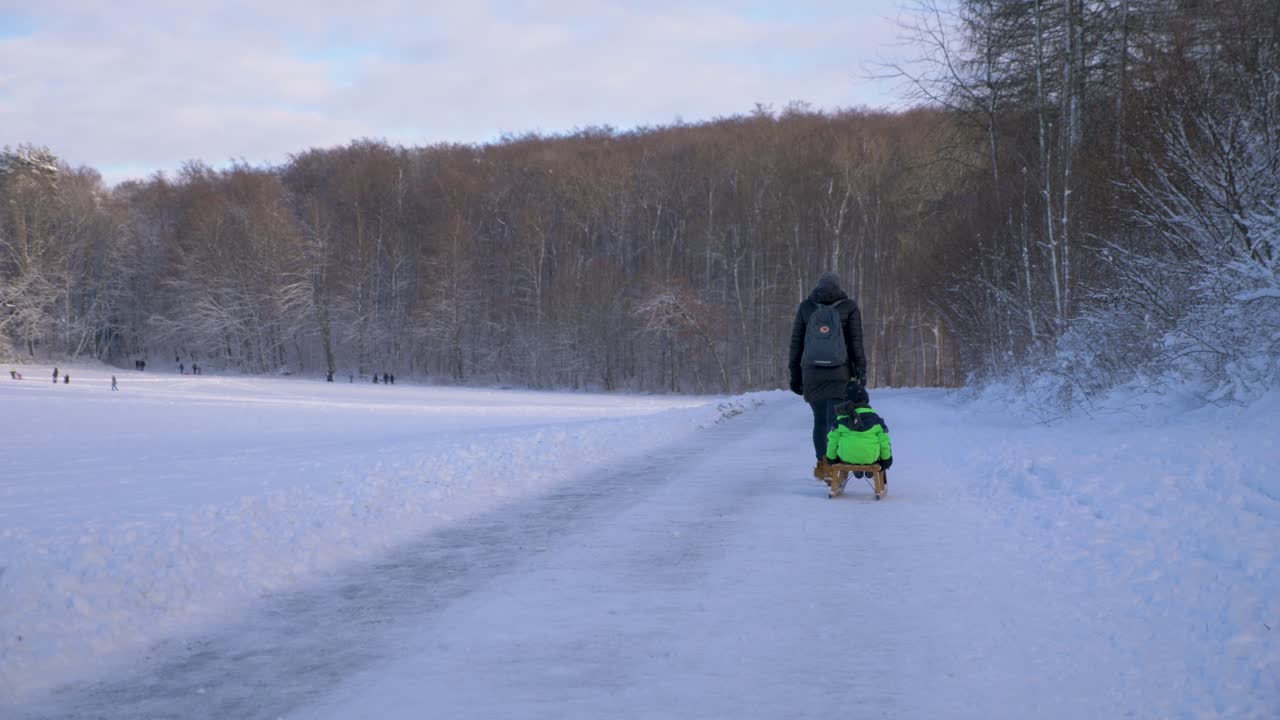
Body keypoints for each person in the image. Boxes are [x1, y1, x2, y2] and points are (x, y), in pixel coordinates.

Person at [788, 271, 867, 480]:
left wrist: (795, 375)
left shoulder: (806, 307)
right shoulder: (849, 307)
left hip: (811, 373)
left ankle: (823, 466)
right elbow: (856, 344)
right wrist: (861, 372)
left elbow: (796, 344)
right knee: (836, 420)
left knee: (819, 420)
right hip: (840, 372)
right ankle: (836, 465)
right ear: (838, 287)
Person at [824, 381, 893, 480]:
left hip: (847, 457)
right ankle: (869, 469)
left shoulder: (841, 419)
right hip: (870, 458)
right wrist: (887, 459)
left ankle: (857, 467)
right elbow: (884, 441)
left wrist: (831, 458)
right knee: (880, 441)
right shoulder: (875, 419)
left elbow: (832, 440)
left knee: (849, 447)